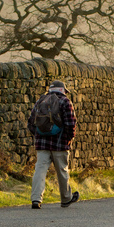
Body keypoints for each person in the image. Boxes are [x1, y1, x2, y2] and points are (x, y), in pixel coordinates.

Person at [27, 80, 79, 209]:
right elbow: (71, 123)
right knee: (62, 170)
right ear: (62, 90)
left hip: (42, 144)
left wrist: (38, 136)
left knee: (39, 170)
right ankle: (66, 199)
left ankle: (36, 199)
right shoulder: (65, 101)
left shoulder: (41, 101)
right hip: (59, 144)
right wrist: (68, 139)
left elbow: (31, 122)